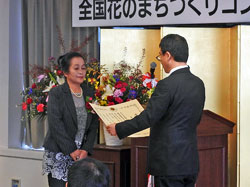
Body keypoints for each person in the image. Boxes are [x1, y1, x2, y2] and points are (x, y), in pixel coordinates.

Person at [107, 34, 206, 187]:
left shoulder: (167, 85)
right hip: (190, 162)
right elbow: (195, 119)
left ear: (168, 55)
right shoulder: (198, 84)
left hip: (167, 163)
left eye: (160, 56)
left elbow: (148, 117)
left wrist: (119, 129)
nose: (160, 61)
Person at [42, 52, 99, 187]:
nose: (81, 72)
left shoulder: (90, 92)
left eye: (83, 68)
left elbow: (94, 124)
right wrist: (72, 150)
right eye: (76, 68)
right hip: (60, 153)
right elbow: (56, 125)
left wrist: (86, 149)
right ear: (66, 72)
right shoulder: (57, 93)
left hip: (81, 155)